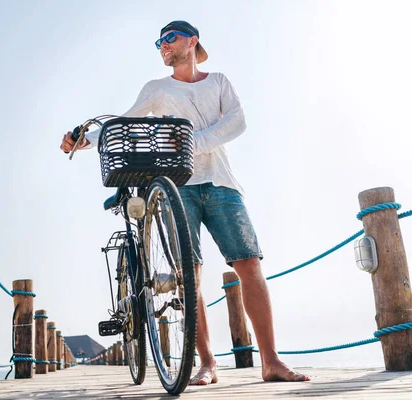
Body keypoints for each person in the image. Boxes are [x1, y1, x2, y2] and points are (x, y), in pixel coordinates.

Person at [60, 20, 310, 385]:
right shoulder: (156, 88)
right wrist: (82, 141)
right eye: (158, 41)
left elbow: (237, 121)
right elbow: (124, 124)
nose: (162, 45)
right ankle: (207, 363)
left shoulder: (219, 81)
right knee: (187, 277)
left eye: (169, 38)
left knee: (249, 265)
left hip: (222, 183)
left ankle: (270, 360)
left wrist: (195, 141)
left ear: (192, 41)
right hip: (178, 186)